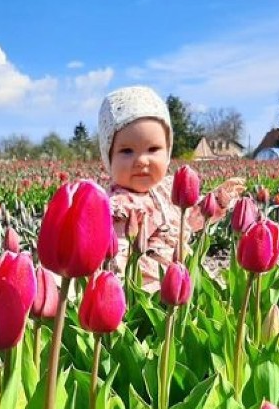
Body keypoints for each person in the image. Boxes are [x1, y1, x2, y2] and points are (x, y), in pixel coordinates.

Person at [98, 85, 244, 290]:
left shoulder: (169, 190)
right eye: (127, 151)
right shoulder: (119, 206)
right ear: (108, 157)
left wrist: (217, 201)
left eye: (153, 149)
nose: (141, 160)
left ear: (167, 153)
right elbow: (116, 251)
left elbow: (190, 219)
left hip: (180, 274)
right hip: (146, 283)